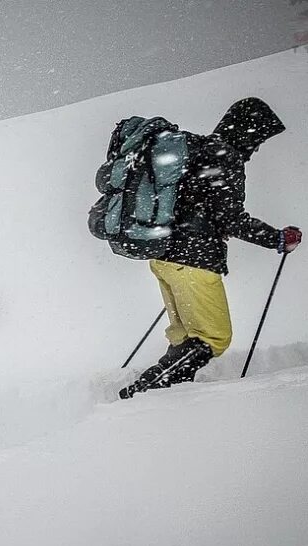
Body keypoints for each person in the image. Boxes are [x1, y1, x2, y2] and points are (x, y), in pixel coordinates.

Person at [120, 98, 301, 399]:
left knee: (185, 336)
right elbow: (231, 218)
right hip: (193, 263)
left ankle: (169, 395)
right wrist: (277, 238)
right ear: (247, 132)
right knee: (213, 336)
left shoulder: (196, 153)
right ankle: (141, 393)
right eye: (256, 140)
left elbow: (197, 208)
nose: (255, 149)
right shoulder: (224, 157)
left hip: (165, 257)